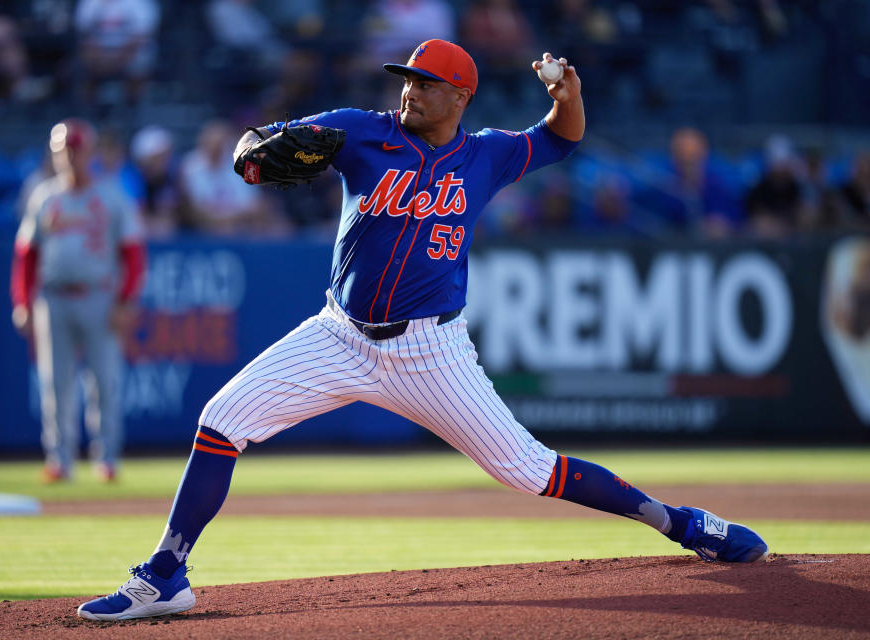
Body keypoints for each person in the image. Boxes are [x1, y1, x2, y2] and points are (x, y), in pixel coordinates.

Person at [77, 39, 768, 622]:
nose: (409, 93)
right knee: (220, 419)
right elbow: (254, 147)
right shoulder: (362, 128)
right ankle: (166, 572)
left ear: (460, 97)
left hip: (431, 350)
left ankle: (679, 523)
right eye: (406, 80)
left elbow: (562, 137)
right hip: (339, 334)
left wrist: (566, 91)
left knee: (529, 471)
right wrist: (253, 156)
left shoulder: (488, 155)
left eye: (425, 85)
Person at [11, 118, 146, 484]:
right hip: (53, 297)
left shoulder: (112, 195)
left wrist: (126, 300)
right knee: (55, 383)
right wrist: (22, 301)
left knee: (104, 380)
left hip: (99, 296)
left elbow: (133, 254)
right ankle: (60, 460)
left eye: (76, 148)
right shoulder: (45, 196)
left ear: (90, 152)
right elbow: (27, 254)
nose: (69, 156)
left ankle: (107, 459)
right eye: (62, 150)